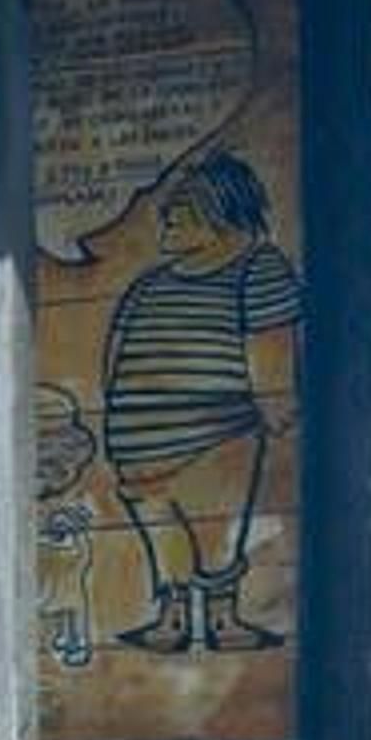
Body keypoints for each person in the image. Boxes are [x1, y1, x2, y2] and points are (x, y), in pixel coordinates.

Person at [100, 152, 300, 653]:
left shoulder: (258, 266)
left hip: (216, 433)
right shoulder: (150, 283)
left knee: (213, 529)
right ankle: (170, 620)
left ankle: (221, 621)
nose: (167, 217)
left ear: (227, 213)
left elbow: (269, 347)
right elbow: (116, 354)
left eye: (184, 208)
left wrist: (276, 407)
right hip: (140, 445)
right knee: (164, 530)